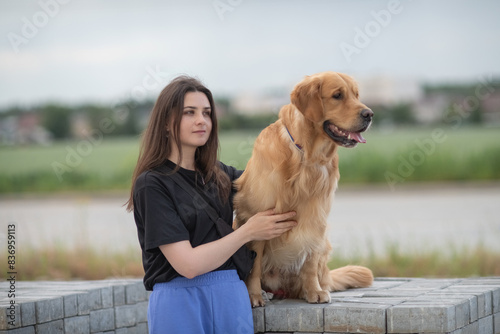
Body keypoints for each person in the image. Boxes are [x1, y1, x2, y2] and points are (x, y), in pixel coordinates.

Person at [126, 75, 297, 334]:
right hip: (179, 302)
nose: (201, 121)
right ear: (165, 123)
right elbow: (188, 265)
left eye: (207, 113)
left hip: (232, 296)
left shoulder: (221, 174)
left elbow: (273, 188)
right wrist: (248, 232)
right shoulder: (152, 185)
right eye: (189, 112)